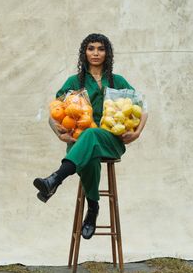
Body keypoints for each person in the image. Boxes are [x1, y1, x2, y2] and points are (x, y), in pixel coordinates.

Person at [33, 33, 148, 240]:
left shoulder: (117, 80)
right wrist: (58, 132)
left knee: (93, 134)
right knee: (90, 150)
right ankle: (93, 208)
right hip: (79, 140)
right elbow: (54, 112)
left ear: (107, 53)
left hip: (111, 140)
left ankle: (56, 179)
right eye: (91, 48)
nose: (96, 53)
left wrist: (137, 132)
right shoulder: (74, 81)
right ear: (84, 52)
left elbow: (143, 107)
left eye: (101, 49)